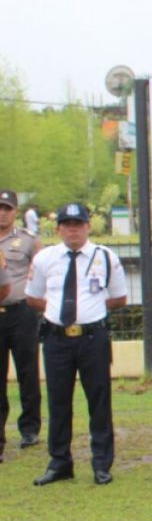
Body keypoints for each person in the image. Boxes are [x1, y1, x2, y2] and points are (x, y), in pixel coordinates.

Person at [25, 203, 128, 486]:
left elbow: (119, 298)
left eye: (78, 224)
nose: (73, 229)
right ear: (58, 228)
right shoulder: (45, 258)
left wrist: (89, 308)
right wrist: (59, 310)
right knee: (58, 401)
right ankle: (60, 462)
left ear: (87, 227)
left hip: (92, 338)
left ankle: (101, 464)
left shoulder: (105, 257)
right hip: (57, 338)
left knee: (99, 401)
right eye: (67, 224)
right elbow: (33, 297)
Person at [0, 188, 42, 459]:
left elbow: (39, 272)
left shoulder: (28, 241)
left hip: (22, 313)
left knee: (27, 372)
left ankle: (29, 428)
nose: (2, 214)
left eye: (7, 209)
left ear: (16, 212)